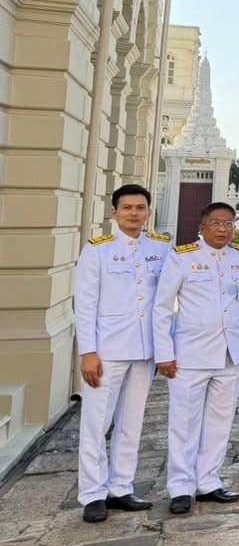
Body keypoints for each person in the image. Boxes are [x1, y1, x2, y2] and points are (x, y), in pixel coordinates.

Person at [74, 184, 171, 522]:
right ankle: (92, 493)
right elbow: (84, 306)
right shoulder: (97, 251)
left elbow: (165, 303)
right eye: (127, 207)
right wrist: (88, 351)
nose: (134, 213)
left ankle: (121, 487)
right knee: (96, 423)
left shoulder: (160, 249)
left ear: (148, 212)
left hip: (144, 350)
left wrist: (164, 349)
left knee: (131, 422)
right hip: (107, 350)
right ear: (114, 213)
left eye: (140, 207)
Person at [152, 202, 239, 515]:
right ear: (202, 226)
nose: (223, 229)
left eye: (228, 223)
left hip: (229, 353)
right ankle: (181, 486)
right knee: (184, 423)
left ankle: (208, 480)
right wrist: (164, 353)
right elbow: (162, 308)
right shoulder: (182, 258)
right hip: (190, 354)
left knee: (220, 422)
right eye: (216, 223)